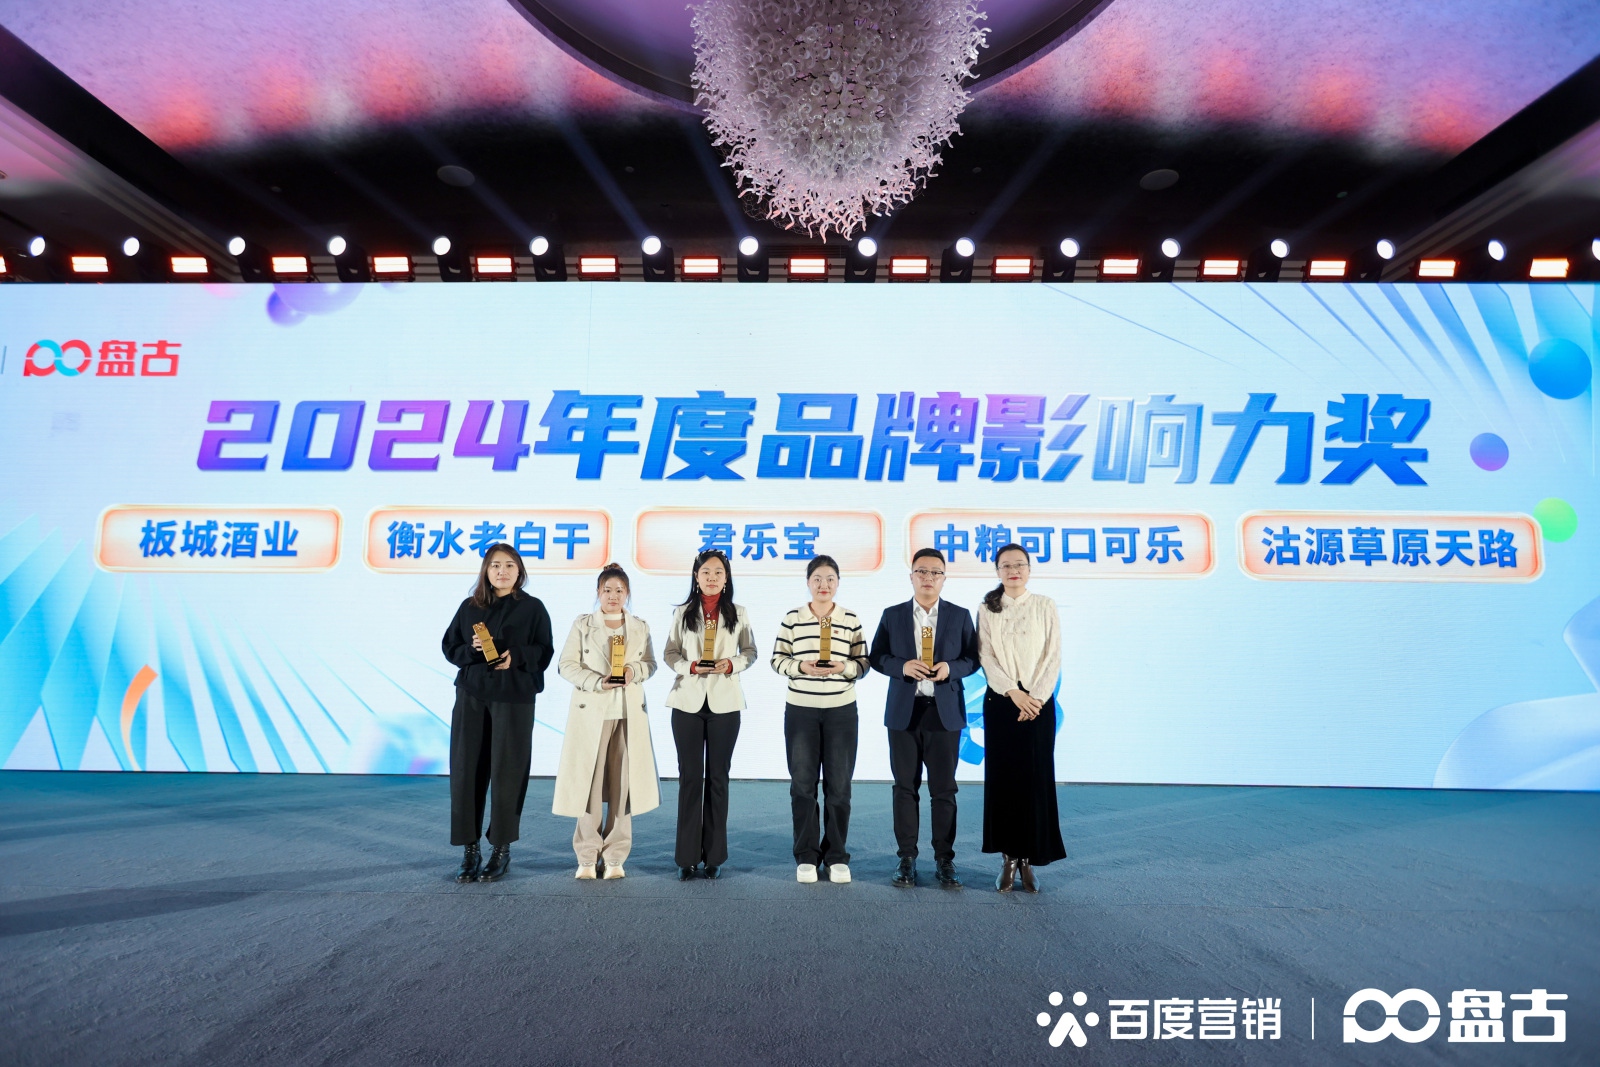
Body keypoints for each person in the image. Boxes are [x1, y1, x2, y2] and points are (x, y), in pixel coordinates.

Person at [440, 543, 553, 883]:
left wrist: (516, 657)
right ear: (486, 571)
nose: (502, 571)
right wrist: (471, 649)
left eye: (509, 565)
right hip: (472, 695)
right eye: (495, 565)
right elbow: (449, 647)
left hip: (514, 698)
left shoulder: (533, 608)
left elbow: (544, 651)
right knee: (466, 772)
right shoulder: (469, 607)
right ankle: (470, 850)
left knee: (508, 774)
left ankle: (501, 850)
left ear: (520, 571)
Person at [868, 548, 978, 889]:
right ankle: (907, 858)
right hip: (905, 711)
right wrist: (902, 666)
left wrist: (950, 669)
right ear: (911, 576)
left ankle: (945, 859)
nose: (928, 577)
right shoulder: (893, 615)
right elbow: (876, 657)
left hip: (944, 712)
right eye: (922, 571)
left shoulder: (959, 615)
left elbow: (973, 659)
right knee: (905, 788)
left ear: (944, 578)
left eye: (935, 572)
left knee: (944, 790)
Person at [553, 564, 661, 880]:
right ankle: (587, 856)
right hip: (592, 713)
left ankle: (615, 856)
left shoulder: (639, 626)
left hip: (628, 714)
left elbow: (650, 664)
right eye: (607, 590)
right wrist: (597, 682)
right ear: (598, 592)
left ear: (627, 593)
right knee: (588, 786)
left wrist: (632, 672)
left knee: (622, 789)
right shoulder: (583, 625)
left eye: (619, 590)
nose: (613, 596)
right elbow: (566, 665)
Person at [770, 555, 869, 884]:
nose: (823, 585)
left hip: (841, 710)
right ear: (808, 582)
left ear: (838, 583)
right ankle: (807, 855)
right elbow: (777, 659)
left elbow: (863, 663)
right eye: (817, 579)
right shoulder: (793, 619)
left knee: (839, 787)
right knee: (802, 785)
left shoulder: (850, 619)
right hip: (801, 710)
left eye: (830, 579)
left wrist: (843, 668)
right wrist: (801, 667)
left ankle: (837, 855)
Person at [662, 548, 758, 880]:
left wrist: (731, 664)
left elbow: (750, 652)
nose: (712, 577)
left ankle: (715, 856)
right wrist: (690, 666)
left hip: (725, 703)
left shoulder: (739, 613)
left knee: (718, 778)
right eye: (706, 572)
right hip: (687, 702)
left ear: (726, 578)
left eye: (718, 572)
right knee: (690, 779)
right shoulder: (682, 613)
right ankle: (686, 858)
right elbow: (670, 653)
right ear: (696, 577)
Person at [977, 543, 1067, 893]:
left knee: (1035, 780)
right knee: (1004, 781)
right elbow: (985, 655)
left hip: (1039, 706)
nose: (1013, 570)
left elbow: (1053, 655)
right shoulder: (987, 608)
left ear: (1029, 569)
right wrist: (1014, 693)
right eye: (1006, 565)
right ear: (997, 571)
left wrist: (1036, 698)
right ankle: (1008, 859)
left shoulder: (1045, 605)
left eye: (1019, 564)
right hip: (1002, 703)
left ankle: (1029, 859)